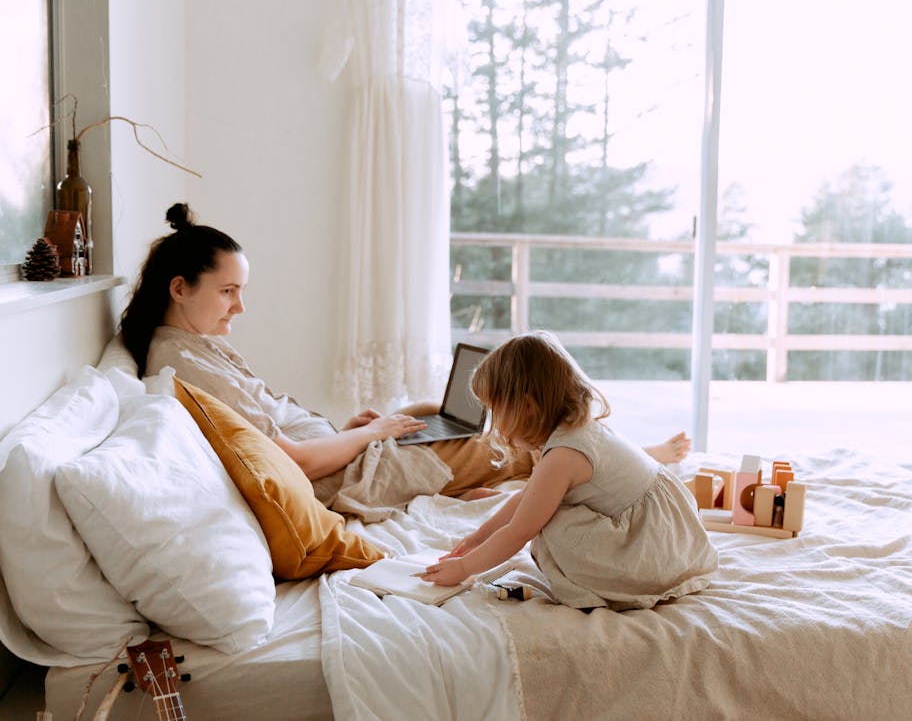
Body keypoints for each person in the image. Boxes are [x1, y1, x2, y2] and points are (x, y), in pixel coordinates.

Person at [119, 203, 692, 510]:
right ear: (179, 288)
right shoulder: (182, 368)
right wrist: (368, 439)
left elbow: (280, 433)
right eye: (227, 291)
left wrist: (351, 428)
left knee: (429, 408)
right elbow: (295, 464)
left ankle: (577, 459)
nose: (239, 307)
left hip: (346, 454)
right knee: (500, 438)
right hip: (351, 475)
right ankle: (629, 460)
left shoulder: (195, 349)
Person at [421, 330, 718, 611]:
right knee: (539, 505)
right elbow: (524, 498)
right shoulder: (578, 430)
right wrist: (476, 539)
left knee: (551, 520)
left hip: (650, 556)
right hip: (672, 545)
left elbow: (520, 531)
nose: (495, 424)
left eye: (496, 411)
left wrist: (464, 568)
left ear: (527, 407)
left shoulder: (563, 455)